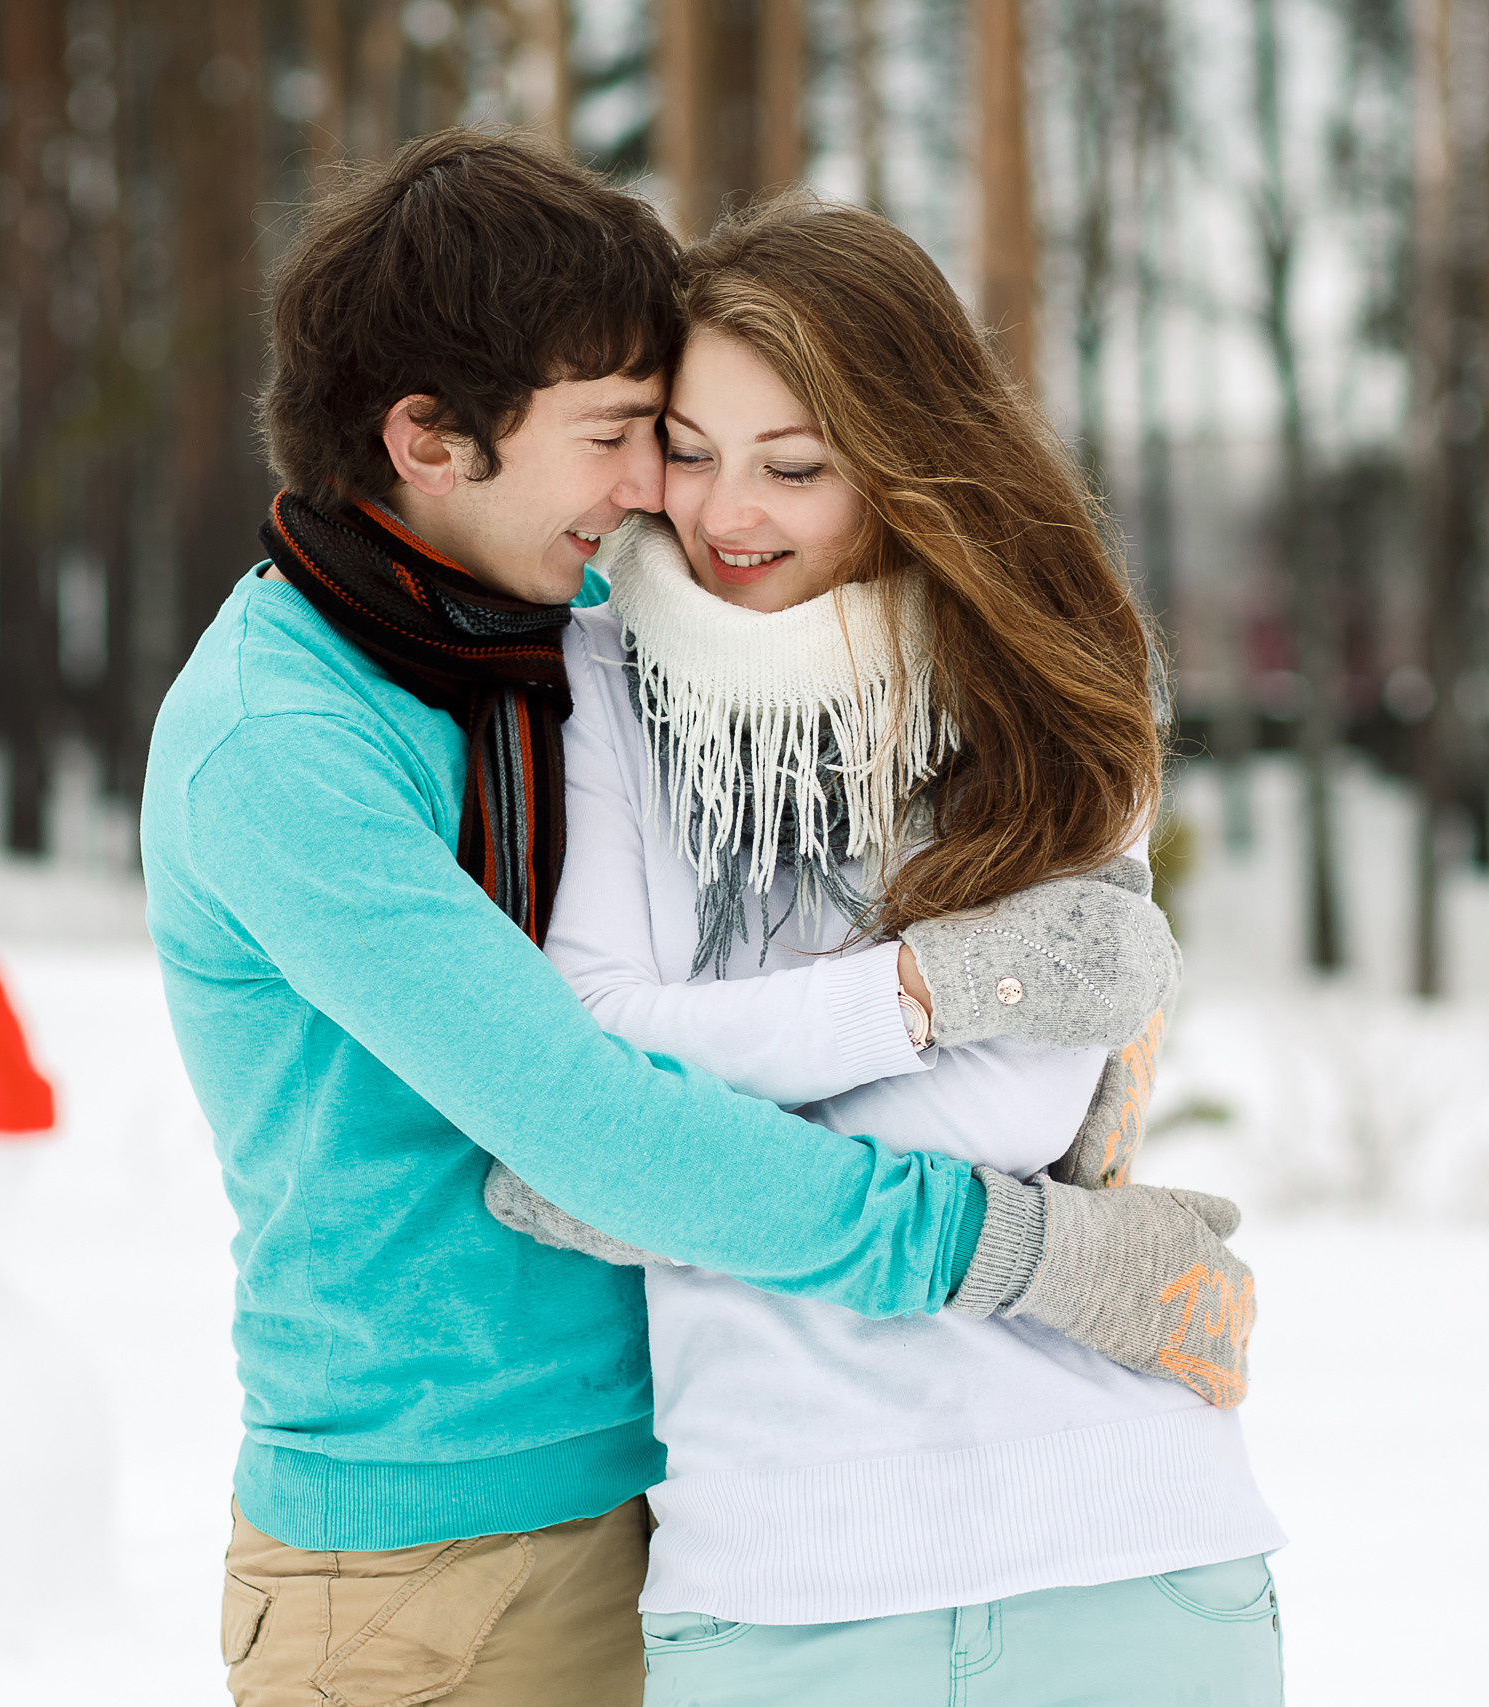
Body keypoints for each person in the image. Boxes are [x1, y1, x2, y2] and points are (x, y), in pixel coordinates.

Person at [140, 130, 1253, 1707]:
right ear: (431, 439)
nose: (658, 495)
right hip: (441, 1553)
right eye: (624, 435)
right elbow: (588, 1121)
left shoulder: (570, 620)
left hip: (680, 1499)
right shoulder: (286, 743)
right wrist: (1022, 1242)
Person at [487, 196, 1285, 1705]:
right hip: (782, 1590)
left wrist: (649, 1171)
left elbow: (1014, 1111)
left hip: (1125, 1555)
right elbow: (587, 1035)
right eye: (694, 450)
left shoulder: (1046, 687)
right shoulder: (598, 678)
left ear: (910, 456)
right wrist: (931, 995)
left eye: (796, 466)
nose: (731, 517)